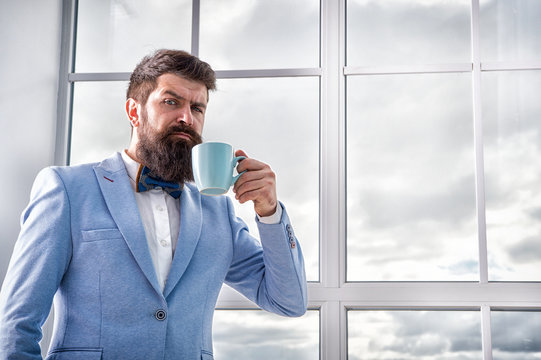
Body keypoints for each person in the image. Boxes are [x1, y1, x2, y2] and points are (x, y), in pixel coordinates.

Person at [0, 49, 307, 359]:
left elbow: (288, 300)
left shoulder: (218, 212)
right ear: (134, 112)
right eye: (171, 102)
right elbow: (16, 323)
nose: (187, 118)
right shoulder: (67, 190)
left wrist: (269, 212)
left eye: (197, 108)